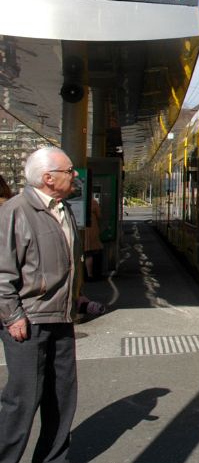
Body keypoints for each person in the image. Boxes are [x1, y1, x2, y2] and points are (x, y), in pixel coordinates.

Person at [0, 147, 82, 463]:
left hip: (61, 317)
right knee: (22, 401)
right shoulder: (15, 212)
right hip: (28, 321)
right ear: (48, 178)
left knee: (61, 399)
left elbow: (68, 262)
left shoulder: (63, 209)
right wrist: (12, 316)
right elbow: (3, 271)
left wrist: (79, 297)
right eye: (69, 170)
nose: (74, 176)